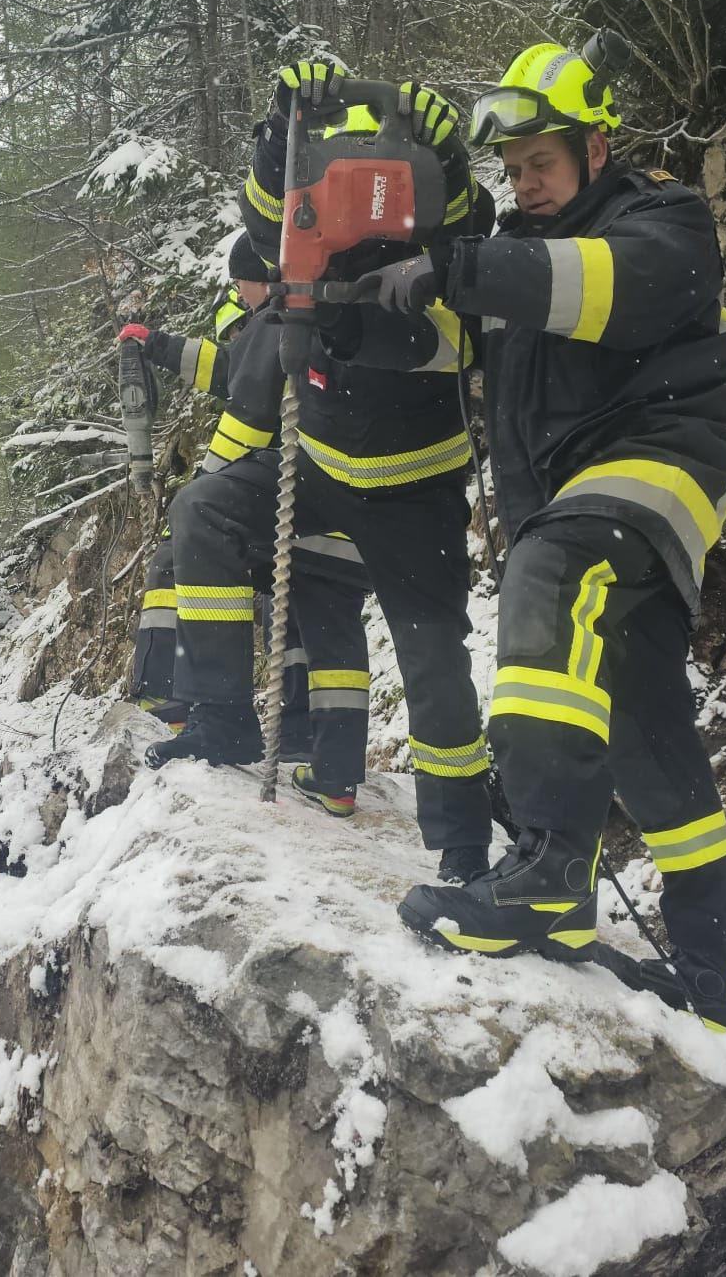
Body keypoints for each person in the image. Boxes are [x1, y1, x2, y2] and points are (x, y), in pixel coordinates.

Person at [366, 42, 726, 1034]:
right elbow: (476, 356)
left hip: (662, 456)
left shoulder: (657, 217)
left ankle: (547, 872)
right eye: (512, 169)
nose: (524, 183)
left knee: (556, 564)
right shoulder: (517, 257)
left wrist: (459, 267)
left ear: (595, 147)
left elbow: (610, 285)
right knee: (636, 710)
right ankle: (715, 941)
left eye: (541, 161)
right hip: (571, 495)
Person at [147, 60, 498, 882]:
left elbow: (459, 300)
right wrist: (279, 136)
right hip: (321, 466)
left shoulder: (442, 230)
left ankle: (463, 846)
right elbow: (268, 228)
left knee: (433, 656)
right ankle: (224, 713)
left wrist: (449, 167)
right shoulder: (308, 228)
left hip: (416, 482)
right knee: (204, 512)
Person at [123, 239, 371, 772]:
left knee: (193, 535)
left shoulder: (277, 322)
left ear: (262, 277)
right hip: (354, 515)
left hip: (301, 509)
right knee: (320, 631)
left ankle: (196, 708)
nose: (237, 291)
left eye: (241, 281)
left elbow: (246, 415)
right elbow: (229, 368)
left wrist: (200, 502)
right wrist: (158, 345)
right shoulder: (319, 314)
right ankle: (324, 754)